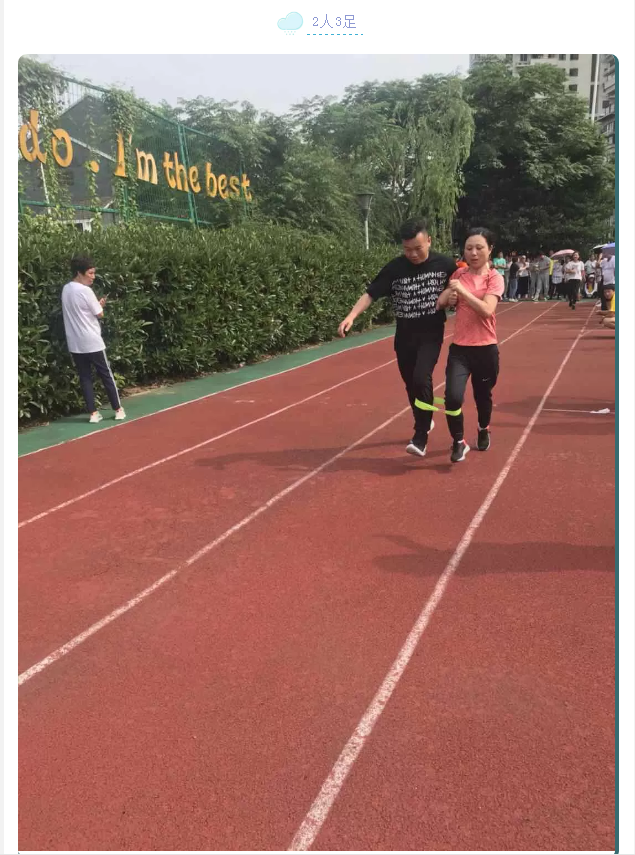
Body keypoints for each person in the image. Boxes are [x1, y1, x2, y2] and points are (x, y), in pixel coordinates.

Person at [338, 219, 457, 457]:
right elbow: (371, 294)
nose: (412, 254)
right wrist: (351, 316)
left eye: (418, 248)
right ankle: (423, 418)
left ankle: (421, 435)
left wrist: (451, 296)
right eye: (407, 249)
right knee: (411, 384)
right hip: (404, 336)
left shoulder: (445, 264)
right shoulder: (395, 268)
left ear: (429, 241)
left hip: (431, 334)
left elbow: (461, 286)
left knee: (421, 378)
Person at [436, 227, 505, 463]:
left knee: (482, 396)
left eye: (479, 248)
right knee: (452, 397)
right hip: (460, 349)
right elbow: (441, 302)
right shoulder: (458, 275)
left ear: (490, 249)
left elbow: (487, 310)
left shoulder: (495, 278)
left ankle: (483, 428)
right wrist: (449, 298)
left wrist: (462, 293)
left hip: (485, 348)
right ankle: (458, 441)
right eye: (468, 248)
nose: (473, 253)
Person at [61, 255, 126, 424]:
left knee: (85, 378)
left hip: (75, 343)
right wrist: (100, 305)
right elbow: (99, 314)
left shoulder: (66, 289)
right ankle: (118, 410)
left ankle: (93, 414)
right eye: (90, 273)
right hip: (92, 341)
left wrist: (96, 306)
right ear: (79, 273)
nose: (93, 276)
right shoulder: (86, 291)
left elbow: (81, 311)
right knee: (106, 375)